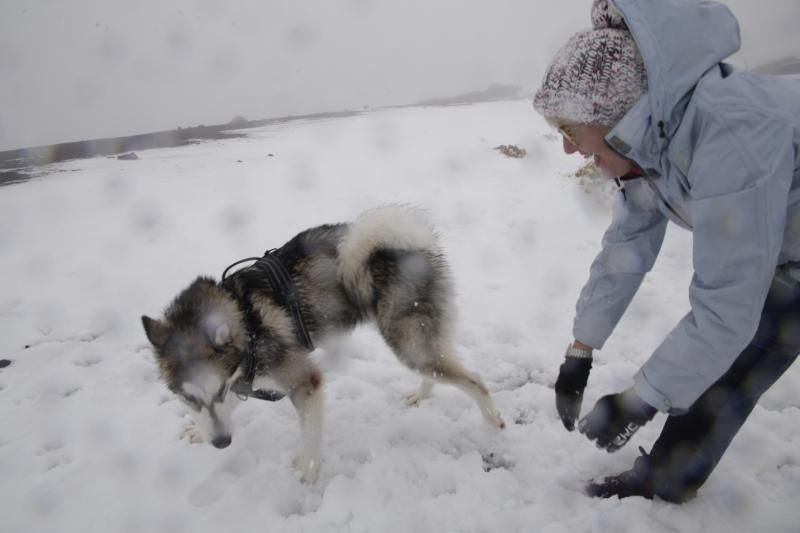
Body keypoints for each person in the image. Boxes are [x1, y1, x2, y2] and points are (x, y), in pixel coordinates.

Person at [533, 0, 800, 503]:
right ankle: (670, 477)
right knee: (736, 354)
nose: (568, 149)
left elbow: (725, 312)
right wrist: (580, 351)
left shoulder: (732, 136)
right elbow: (626, 246)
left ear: (614, 115)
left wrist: (641, 399)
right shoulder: (651, 141)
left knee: (743, 344)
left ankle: (668, 477)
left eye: (570, 130)